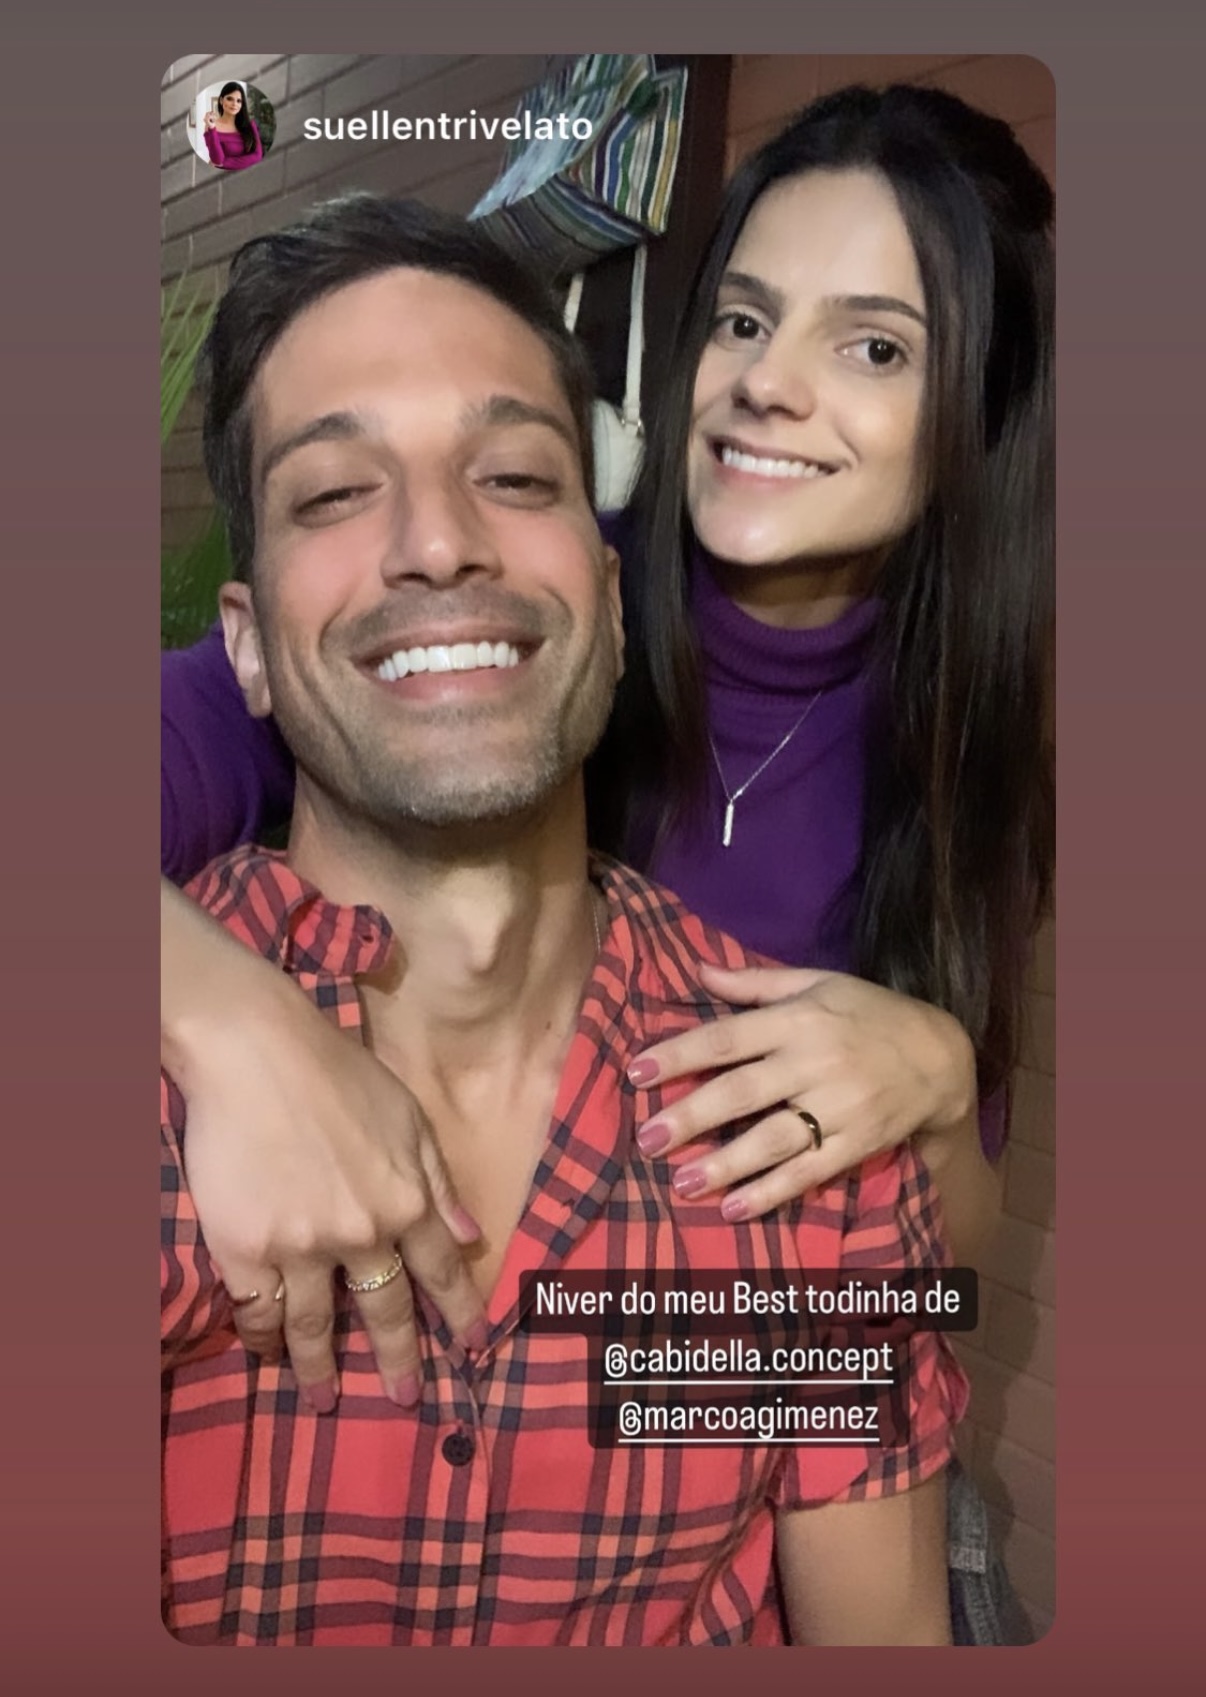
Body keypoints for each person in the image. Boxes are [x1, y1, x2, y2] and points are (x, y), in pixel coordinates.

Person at [160, 83, 1052, 1640]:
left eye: (873, 347)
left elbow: (914, 1255)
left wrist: (926, 1070)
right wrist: (232, 1027)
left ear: (974, 414)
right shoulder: (449, 644)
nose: (765, 385)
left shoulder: (957, 736)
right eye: (743, 320)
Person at [202, 81, 263, 172]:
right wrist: (212, 128)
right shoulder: (211, 127)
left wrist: (225, 163)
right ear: (221, 100)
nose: (234, 104)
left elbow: (257, 156)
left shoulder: (250, 125)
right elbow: (217, 160)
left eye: (239, 101)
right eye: (230, 99)